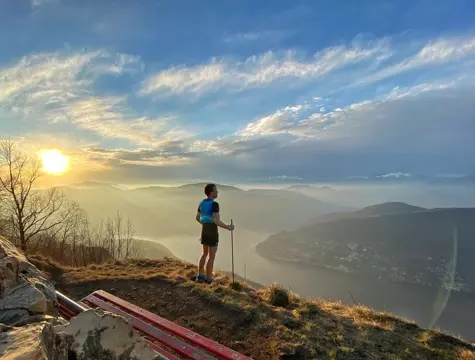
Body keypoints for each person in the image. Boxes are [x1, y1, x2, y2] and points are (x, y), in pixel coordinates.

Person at [195, 183, 234, 284]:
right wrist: (228, 227)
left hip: (204, 230)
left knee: (204, 253)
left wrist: (205, 225)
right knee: (211, 256)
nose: (217, 192)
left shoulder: (201, 203)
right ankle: (208, 279)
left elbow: (197, 218)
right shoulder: (214, 205)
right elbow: (216, 221)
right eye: (216, 190)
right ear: (212, 193)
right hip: (212, 231)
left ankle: (200, 276)